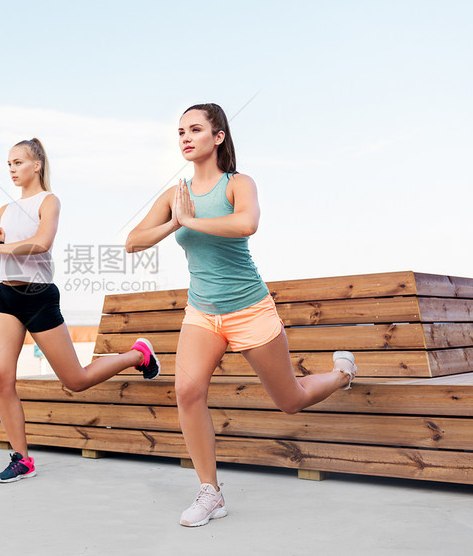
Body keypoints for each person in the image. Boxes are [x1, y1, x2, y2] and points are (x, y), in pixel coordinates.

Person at [126, 104, 357, 527]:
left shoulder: (238, 184)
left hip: (249, 308)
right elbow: (132, 241)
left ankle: (342, 375)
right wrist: (174, 221)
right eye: (180, 131)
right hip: (202, 312)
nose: (185, 137)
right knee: (187, 393)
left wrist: (190, 221)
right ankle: (210, 492)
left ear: (218, 137)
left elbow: (246, 223)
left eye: (195, 129)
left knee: (291, 401)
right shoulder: (175, 195)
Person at [0, 137, 161, 484]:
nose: (12, 169)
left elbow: (42, 242)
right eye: (9, 164)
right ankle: (22, 459)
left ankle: (138, 355)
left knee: (76, 381)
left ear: (36, 165)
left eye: (18, 162)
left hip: (39, 297)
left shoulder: (48, 201)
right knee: (0, 377)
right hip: (6, 298)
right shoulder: (3, 211)